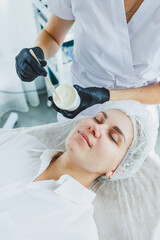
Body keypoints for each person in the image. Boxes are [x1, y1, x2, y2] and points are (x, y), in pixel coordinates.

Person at [0, 100, 156, 240]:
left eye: (113, 137)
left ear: (115, 170)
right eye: (97, 119)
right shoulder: (19, 141)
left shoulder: (76, 232)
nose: (96, 127)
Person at [15, 0, 160, 121]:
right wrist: (38, 52)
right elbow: (52, 34)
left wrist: (106, 96)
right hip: (77, 98)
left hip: (136, 109)